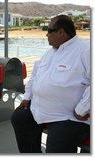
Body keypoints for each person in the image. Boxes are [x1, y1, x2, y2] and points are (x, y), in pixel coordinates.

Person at [11, 15, 90, 153]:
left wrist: (82, 109)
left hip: (69, 116)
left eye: (49, 30)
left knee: (56, 148)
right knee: (19, 118)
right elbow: (35, 75)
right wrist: (27, 97)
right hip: (40, 108)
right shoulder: (50, 53)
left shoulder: (86, 51)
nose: (46, 34)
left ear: (61, 32)